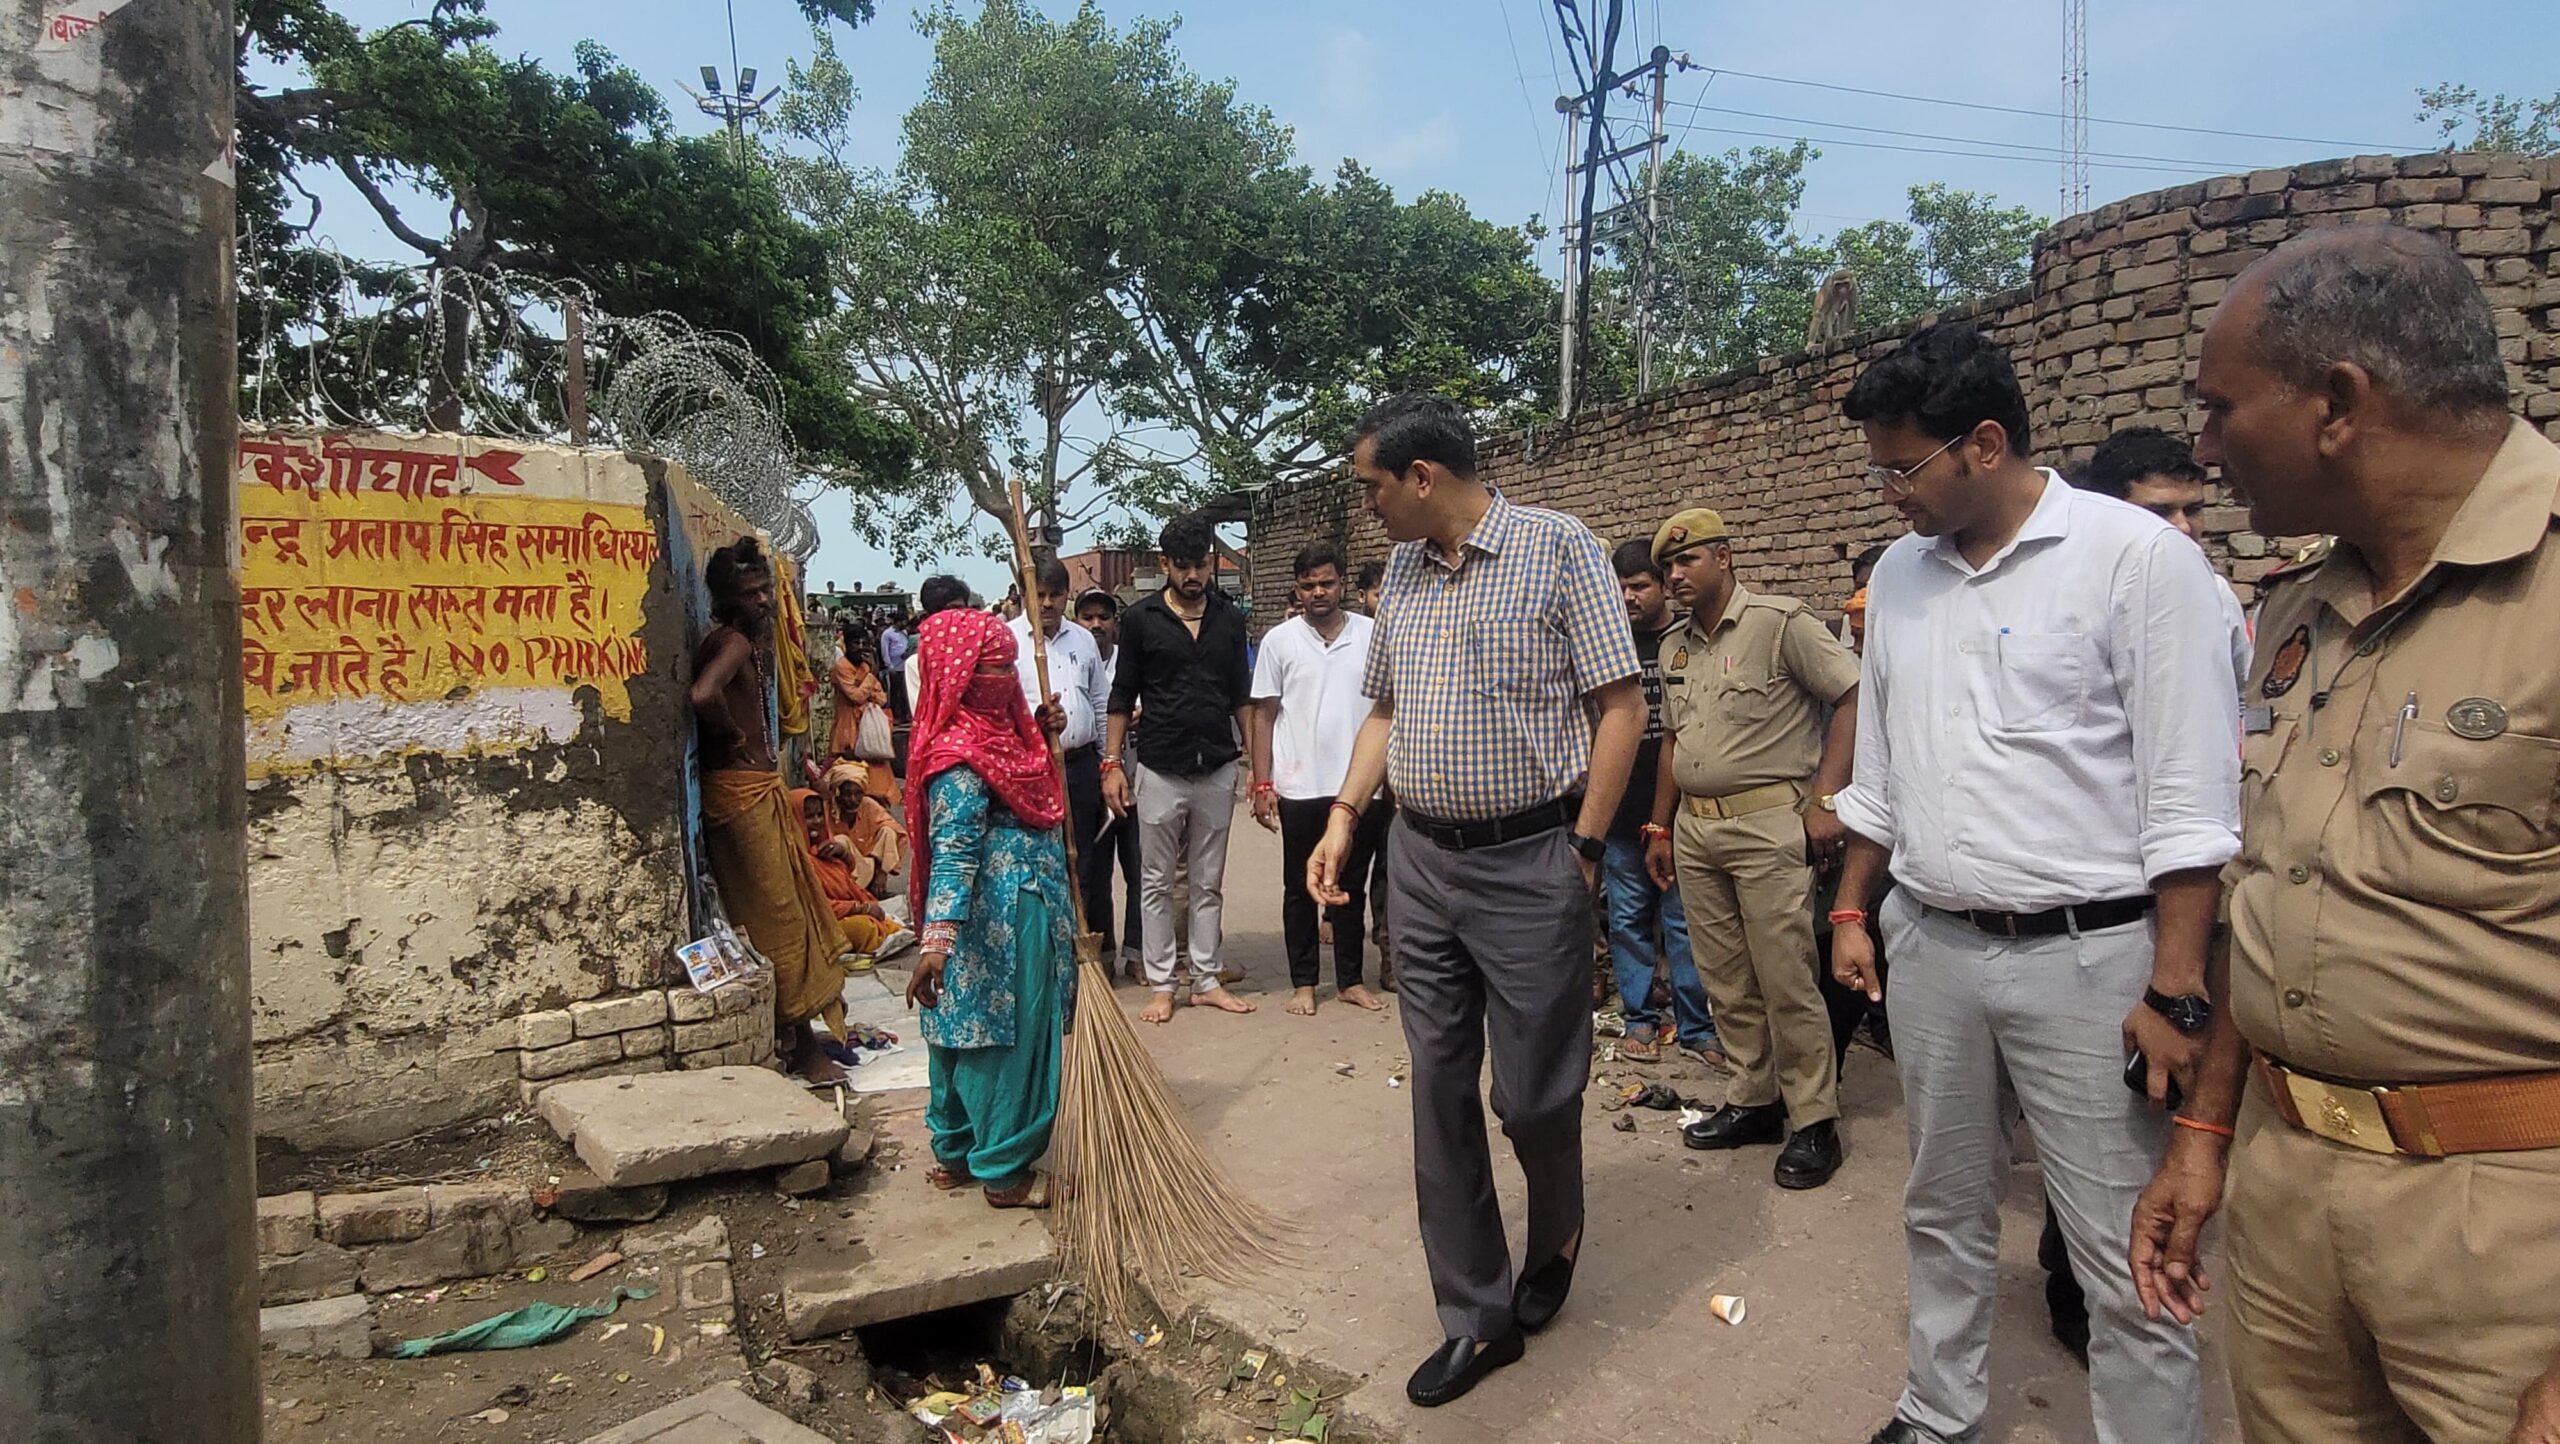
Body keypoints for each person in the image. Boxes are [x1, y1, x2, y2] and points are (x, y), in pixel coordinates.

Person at [2129, 226, 2560, 1444]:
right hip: (2286, 1187)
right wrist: (2206, 1134)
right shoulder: (2300, 614)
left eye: (2220, 409)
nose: (2204, 449)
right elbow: (2269, 896)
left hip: (2511, 1242)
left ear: (2337, 404)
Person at [1825, 322, 2240, 1444]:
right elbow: (1884, 770)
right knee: (1942, 1205)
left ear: (1985, 441)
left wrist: (2174, 988)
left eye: (1900, 467)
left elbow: (2192, 802)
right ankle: (1937, 1407)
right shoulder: (1903, 579)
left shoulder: (2136, 561)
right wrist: (1856, 905)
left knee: (2123, 1248)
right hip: (1936, 947)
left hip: (2093, 960)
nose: (1886, 494)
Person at [1306, 394, 1645, 1408]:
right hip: (1420, 860)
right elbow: (1385, 707)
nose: (1362, 507)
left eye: (1369, 485)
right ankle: (1476, 1313)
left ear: (1419, 477)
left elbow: (1619, 703)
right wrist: (1344, 816)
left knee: (1534, 1093)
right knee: (1440, 1086)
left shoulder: (1557, 549)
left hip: (1531, 857)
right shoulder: (1402, 575)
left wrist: (1583, 846)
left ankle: (1558, 1227)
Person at [1641, 508, 1861, 1190]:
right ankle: (1754, 1100)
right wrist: (1659, 826)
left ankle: (1814, 1118)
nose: (1676, 576)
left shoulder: (1780, 623)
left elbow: (1854, 696)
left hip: (1769, 824)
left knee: (1785, 974)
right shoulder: (1674, 645)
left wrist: (1827, 800)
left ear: (1725, 557)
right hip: (1697, 830)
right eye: (1668, 567)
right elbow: (1673, 740)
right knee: (1725, 977)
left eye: (1688, 561)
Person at [899, 608, 1075, 1210]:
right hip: (1001, 918)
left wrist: (1045, 724)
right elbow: (952, 853)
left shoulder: (1004, 734)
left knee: (957, 1031)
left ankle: (955, 1153)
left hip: (996, 914)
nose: (1007, 681)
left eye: (1011, 668)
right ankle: (1005, 1172)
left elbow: (1033, 758)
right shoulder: (960, 759)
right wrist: (936, 942)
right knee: (1006, 1041)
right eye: (995, 670)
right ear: (961, 676)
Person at [689, 537, 856, 1085]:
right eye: (752, 593)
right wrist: (734, 737)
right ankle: (801, 1043)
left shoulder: (746, 643)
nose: (764, 601)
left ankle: (802, 1036)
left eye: (766, 591)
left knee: (791, 911)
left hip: (754, 791)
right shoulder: (733, 642)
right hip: (741, 796)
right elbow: (703, 695)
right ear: (728, 599)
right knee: (778, 919)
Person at [1102, 514, 1256, 1024]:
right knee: (1155, 881)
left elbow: (1241, 697)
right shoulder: (1142, 619)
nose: (1193, 576)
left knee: (1209, 881)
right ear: (1165, 565)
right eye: (1183, 566)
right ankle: (1163, 982)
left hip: (1215, 764)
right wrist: (1111, 763)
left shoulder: (1229, 621)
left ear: (1211, 563)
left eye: (1201, 565)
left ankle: (1207, 979)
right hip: (1160, 767)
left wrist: (1257, 767)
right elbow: (1122, 695)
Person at [1247, 544, 1391, 1017]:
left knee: (1351, 882)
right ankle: (1304, 982)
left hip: (1360, 786)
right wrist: (1262, 782)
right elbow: (1264, 716)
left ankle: (1350, 979)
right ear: (1297, 588)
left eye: (1326, 583)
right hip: (1300, 785)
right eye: (1308, 585)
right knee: (1299, 886)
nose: (1318, 592)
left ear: (1343, 584)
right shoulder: (1279, 641)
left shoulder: (1373, 635)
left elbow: (1390, 708)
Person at [1598, 539, 1718, 1067]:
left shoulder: (1688, 640)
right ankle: (1640, 1020)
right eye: (1620, 587)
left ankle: (1696, 1027)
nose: (1628, 597)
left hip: (1681, 813)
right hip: (1622, 814)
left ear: (1662, 585)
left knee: (1682, 922)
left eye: (1639, 586)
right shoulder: (1608, 644)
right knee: (1626, 919)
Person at [2073, 425, 2255, 691]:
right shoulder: (2071, 597)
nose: (2182, 527)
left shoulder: (2216, 596)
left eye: (2192, 510)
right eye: (2159, 512)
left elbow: (2242, 697)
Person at [1011, 557, 1111, 944]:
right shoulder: (1006, 641)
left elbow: (1100, 705)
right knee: (1041, 859)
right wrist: (1036, 724)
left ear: (1067, 596)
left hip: (1081, 764)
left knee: (1087, 858)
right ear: (1023, 595)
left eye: (1055, 594)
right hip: (1031, 768)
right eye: (1039, 595)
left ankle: (1090, 945)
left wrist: (1108, 764)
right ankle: (1047, 948)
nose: (1047, 603)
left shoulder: (1083, 639)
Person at [1075, 588, 1145, 973]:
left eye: (1104, 617)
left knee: (1138, 868)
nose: (1096, 624)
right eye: (1088, 618)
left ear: (1115, 623)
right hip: (1089, 782)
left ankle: (1136, 953)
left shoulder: (1130, 660)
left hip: (1135, 779)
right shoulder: (1073, 660)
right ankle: (1101, 954)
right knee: (1094, 872)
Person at [791, 787, 913, 960]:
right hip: (822, 923)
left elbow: (845, 877)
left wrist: (844, 855)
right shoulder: (796, 860)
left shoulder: (823, 847)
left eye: (819, 815)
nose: (817, 821)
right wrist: (860, 908)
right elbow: (818, 906)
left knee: (882, 919)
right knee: (864, 928)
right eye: (809, 817)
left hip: (860, 878)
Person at [1351, 557, 1396, 983]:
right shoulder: (1355, 640)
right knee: (1355, 863)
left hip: (1401, 780)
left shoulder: (1409, 633)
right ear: (1363, 596)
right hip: (1362, 774)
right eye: (1380, 593)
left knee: (1390, 868)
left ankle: (1390, 956)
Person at [827, 626, 899, 807]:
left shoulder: (867, 666)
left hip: (870, 731)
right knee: (851, 782)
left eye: (863, 643)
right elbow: (855, 697)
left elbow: (881, 698)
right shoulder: (842, 667)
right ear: (846, 645)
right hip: (848, 731)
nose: (860, 647)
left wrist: (866, 682)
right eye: (855, 643)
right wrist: (870, 677)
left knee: (878, 783)